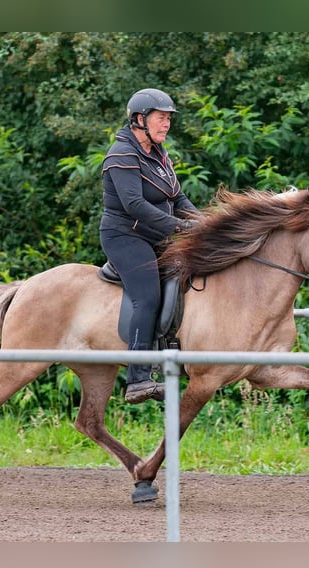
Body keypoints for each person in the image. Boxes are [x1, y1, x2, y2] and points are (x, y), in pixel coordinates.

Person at [100, 88, 199, 404]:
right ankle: (138, 378)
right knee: (147, 294)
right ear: (139, 119)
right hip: (126, 237)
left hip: (157, 236)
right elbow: (134, 205)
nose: (167, 124)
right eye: (161, 118)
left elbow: (177, 198)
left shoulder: (159, 155)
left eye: (169, 119)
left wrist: (206, 222)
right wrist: (181, 227)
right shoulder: (121, 155)